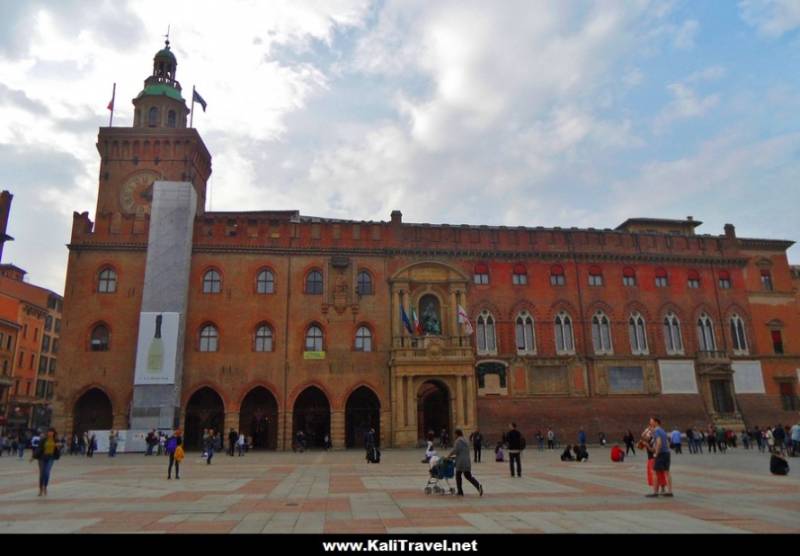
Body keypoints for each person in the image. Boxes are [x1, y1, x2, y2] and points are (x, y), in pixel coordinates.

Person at [447, 429, 483, 497]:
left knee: (458, 475)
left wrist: (448, 456)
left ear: (457, 434)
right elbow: (462, 450)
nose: (454, 436)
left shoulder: (458, 441)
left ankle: (460, 492)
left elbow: (455, 450)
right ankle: (478, 486)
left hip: (461, 461)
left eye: (455, 434)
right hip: (467, 460)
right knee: (468, 476)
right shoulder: (465, 440)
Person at [646, 417, 673, 498]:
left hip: (661, 454)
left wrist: (656, 453)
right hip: (667, 453)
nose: (650, 423)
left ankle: (655, 492)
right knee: (667, 472)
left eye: (651, 422)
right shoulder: (663, 430)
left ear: (656, 422)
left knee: (655, 472)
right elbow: (667, 443)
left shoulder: (656, 430)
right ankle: (670, 491)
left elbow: (659, 442)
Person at [33, 427, 60, 497]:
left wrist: (58, 447)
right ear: (47, 433)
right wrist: (34, 456)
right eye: (49, 432)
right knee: (42, 474)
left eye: (52, 432)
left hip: (50, 458)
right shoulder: (43, 440)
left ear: (54, 433)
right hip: (42, 458)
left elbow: (58, 450)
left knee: (47, 472)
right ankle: (40, 489)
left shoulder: (56, 440)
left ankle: (45, 486)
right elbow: (39, 448)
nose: (50, 433)